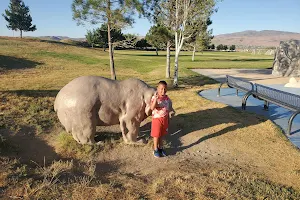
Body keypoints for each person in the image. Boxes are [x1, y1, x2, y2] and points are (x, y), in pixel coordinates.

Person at [150, 80, 175, 158]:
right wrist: (156, 100)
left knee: (161, 135)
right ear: (157, 89)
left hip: (165, 119)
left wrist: (172, 111)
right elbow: (152, 107)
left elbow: (169, 107)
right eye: (161, 89)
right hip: (157, 119)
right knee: (156, 135)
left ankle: (160, 148)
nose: (163, 91)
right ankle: (155, 149)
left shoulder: (167, 98)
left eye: (164, 89)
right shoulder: (155, 97)